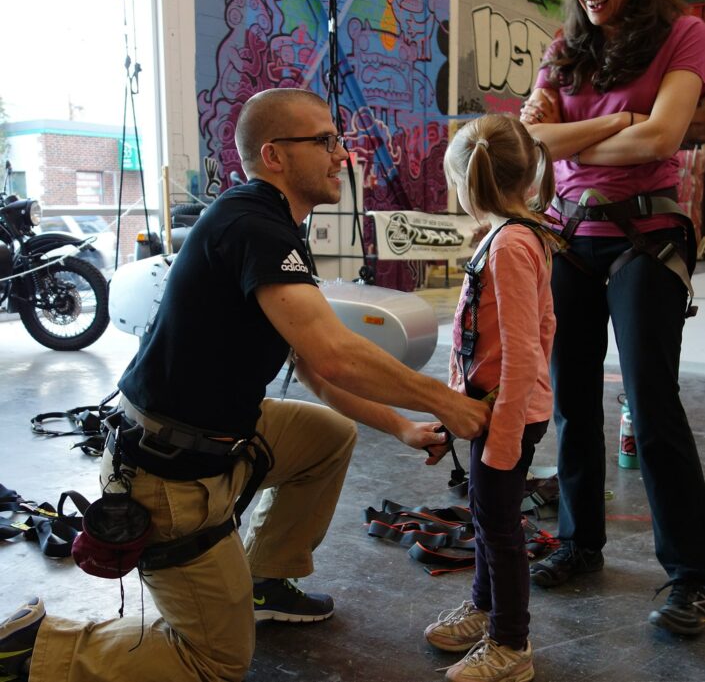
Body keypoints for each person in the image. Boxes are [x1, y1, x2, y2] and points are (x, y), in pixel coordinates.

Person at [0, 88, 491, 682]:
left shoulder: (268, 220)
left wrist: (406, 427)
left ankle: (263, 580)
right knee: (216, 660)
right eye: (325, 141)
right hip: (169, 475)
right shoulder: (255, 226)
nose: (342, 155)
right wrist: (449, 403)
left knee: (327, 436)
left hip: (216, 431)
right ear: (275, 154)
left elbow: (311, 365)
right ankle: (35, 650)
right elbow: (335, 355)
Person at [520, 0, 705, 635]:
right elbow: (531, 141)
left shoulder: (682, 34)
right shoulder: (563, 47)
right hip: (568, 235)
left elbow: (661, 139)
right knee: (570, 398)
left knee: (650, 400)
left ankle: (691, 573)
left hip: (644, 239)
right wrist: (618, 122)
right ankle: (578, 541)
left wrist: (574, 135)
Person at [423, 114, 560, 682]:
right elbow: (499, 339)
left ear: (465, 183)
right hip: (493, 409)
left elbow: (527, 352)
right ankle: (484, 608)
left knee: (499, 527)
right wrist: (460, 411)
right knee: (487, 517)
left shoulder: (509, 245)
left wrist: (501, 436)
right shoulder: (511, 236)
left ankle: (511, 644)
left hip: (507, 416)